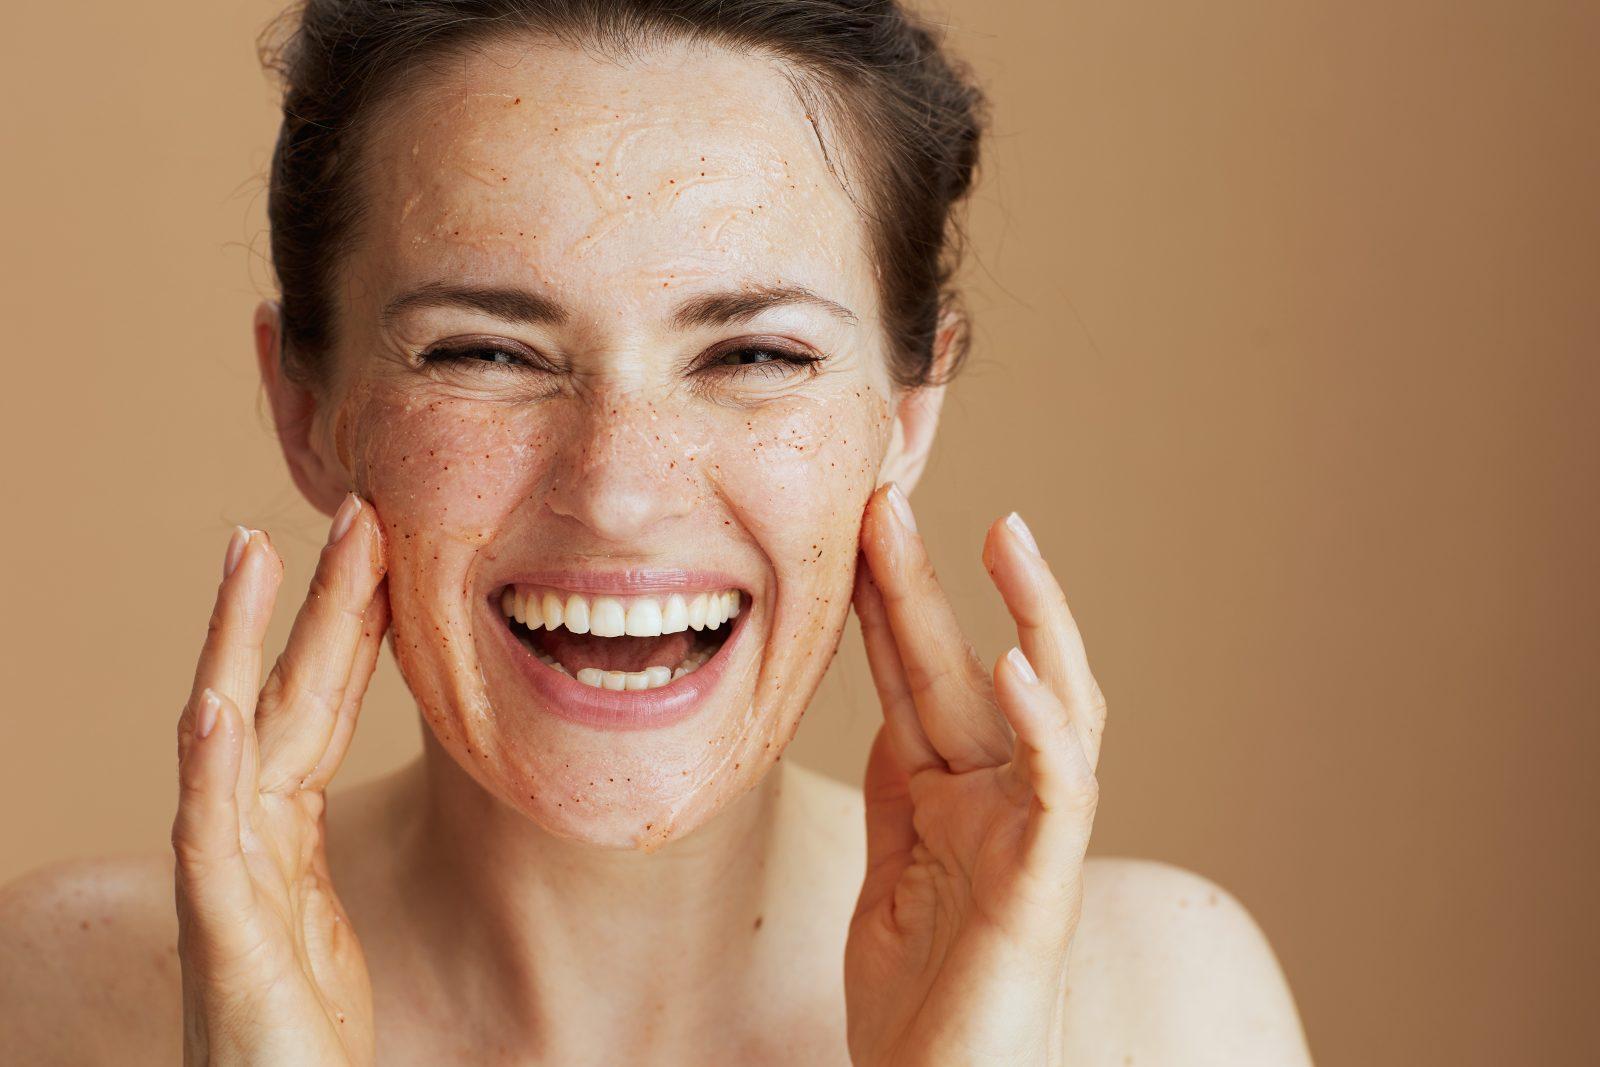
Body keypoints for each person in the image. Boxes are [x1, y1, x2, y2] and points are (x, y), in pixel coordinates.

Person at [0, 2, 1312, 1062]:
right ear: (309, 408)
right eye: (483, 349)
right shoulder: (59, 997)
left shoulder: (1160, 1001)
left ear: (907, 413)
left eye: (753, 351)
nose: (620, 491)